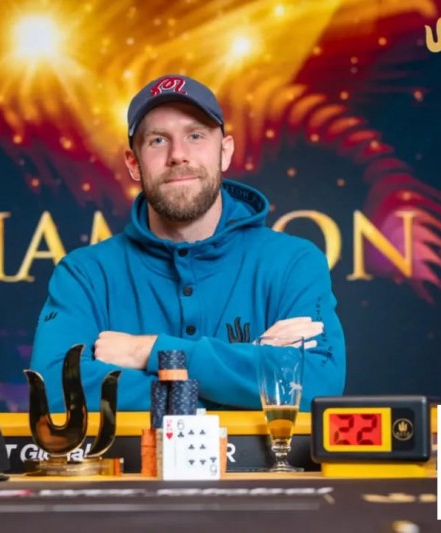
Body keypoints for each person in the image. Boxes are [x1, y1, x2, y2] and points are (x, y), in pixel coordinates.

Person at [30, 74, 345, 412]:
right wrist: (247, 373)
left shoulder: (294, 262)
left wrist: (149, 351)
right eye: (157, 140)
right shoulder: (84, 274)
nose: (178, 155)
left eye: (195, 136)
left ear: (224, 152)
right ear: (134, 163)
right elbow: (55, 395)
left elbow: (317, 384)